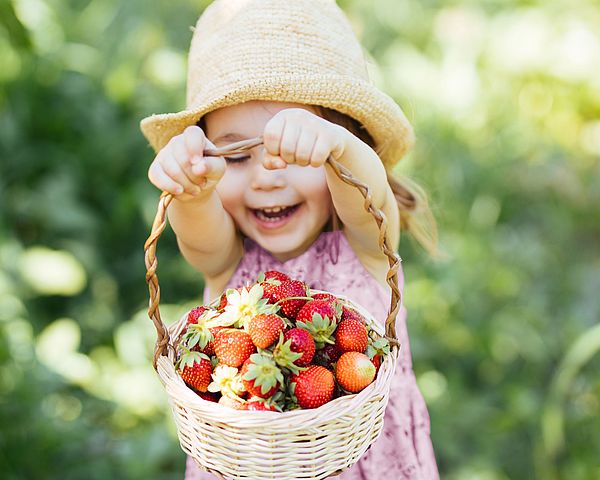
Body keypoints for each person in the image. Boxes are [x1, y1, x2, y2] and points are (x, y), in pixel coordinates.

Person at [142, 0, 439, 478]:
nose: (265, 179)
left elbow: (371, 202)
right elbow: (199, 238)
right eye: (237, 156)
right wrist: (189, 190)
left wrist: (336, 146)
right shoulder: (230, 267)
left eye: (296, 153)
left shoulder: (366, 247)